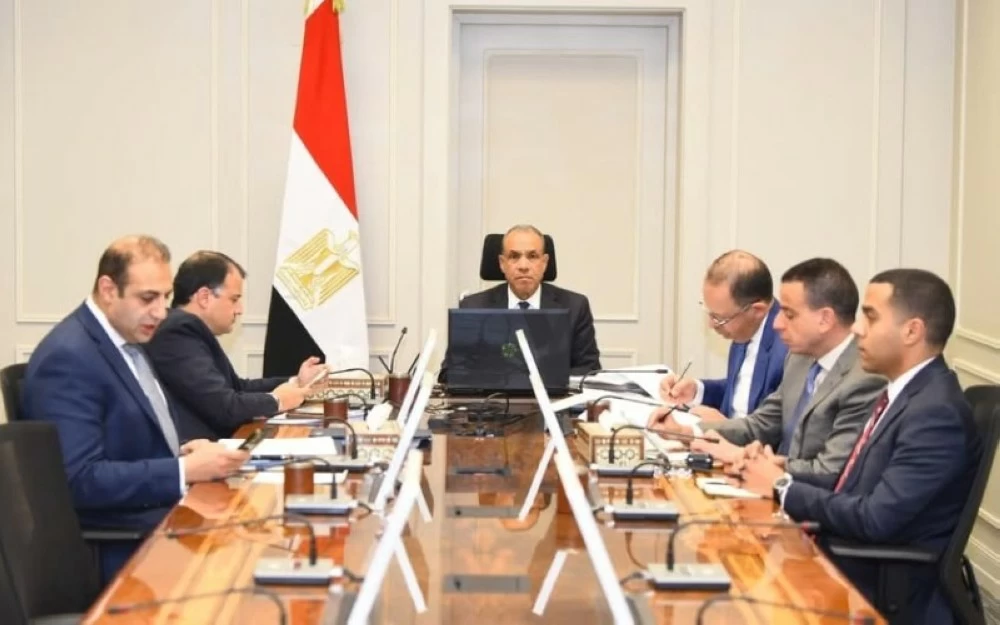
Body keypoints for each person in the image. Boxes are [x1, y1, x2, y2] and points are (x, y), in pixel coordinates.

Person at [736, 269, 979, 625]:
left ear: (912, 331)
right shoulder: (902, 394)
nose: (857, 329)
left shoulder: (936, 413)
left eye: (871, 317)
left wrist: (781, 486)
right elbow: (849, 483)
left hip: (876, 589)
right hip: (846, 561)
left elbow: (876, 518)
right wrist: (778, 467)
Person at [22, 236, 250, 584]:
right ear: (108, 290)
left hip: (159, 516)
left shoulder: (128, 337)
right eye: (147, 298)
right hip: (121, 546)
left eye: (165, 297)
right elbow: (80, 480)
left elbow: (127, 440)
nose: (160, 312)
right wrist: (182, 470)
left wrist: (182, 451)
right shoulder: (69, 358)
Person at [650, 258, 883, 476]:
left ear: (825, 319)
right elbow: (762, 425)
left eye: (789, 314)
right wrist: (686, 433)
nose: (777, 323)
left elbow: (829, 471)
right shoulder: (799, 359)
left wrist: (746, 460)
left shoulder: (865, 379)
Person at [146, 251, 326, 440]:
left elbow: (237, 387)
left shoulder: (190, 329)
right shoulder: (178, 332)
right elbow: (223, 406)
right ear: (204, 297)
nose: (240, 310)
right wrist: (277, 401)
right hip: (201, 451)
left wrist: (296, 381)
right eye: (234, 299)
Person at [442, 224, 601, 377]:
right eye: (514, 256)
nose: (523, 266)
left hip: (553, 396)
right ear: (502, 264)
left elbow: (589, 370)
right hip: (495, 395)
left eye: (532, 256)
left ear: (544, 263)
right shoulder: (473, 308)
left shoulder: (574, 306)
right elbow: (450, 372)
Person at [659, 250, 787, 419]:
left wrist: (724, 426)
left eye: (719, 318)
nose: (711, 325)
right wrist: (696, 390)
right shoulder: (743, 328)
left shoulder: (790, 347)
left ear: (756, 311)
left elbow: (780, 426)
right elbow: (741, 393)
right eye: (709, 313)